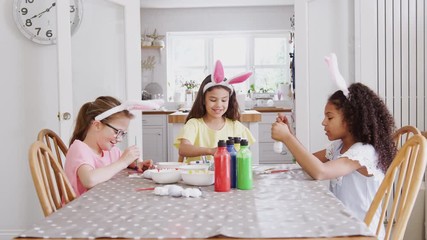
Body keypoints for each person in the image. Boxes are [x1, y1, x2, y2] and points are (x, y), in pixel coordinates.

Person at [271, 54, 396, 238]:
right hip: (342, 226)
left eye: (329, 117)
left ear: (352, 119)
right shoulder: (339, 147)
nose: (323, 122)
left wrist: (288, 138)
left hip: (362, 233)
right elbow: (309, 162)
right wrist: (290, 135)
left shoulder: (364, 152)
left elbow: (320, 172)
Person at [65, 96, 159, 197]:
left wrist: (138, 164)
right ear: (97, 125)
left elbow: (125, 159)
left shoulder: (108, 150)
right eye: (117, 132)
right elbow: (89, 180)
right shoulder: (79, 148)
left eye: (123, 134)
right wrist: (123, 162)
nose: (120, 139)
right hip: (79, 209)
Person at [174, 60, 255, 163]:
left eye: (224, 100)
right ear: (203, 100)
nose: (218, 105)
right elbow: (183, 149)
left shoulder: (236, 126)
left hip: (227, 177)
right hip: (197, 177)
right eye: (213, 100)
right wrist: (211, 150)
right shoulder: (194, 124)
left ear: (229, 101)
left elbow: (244, 156)